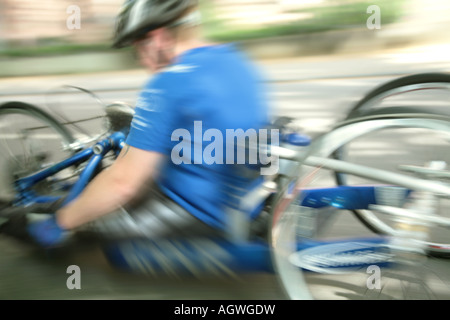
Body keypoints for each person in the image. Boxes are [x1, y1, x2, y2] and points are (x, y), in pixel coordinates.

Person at [25, 0, 272, 275]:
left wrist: (61, 222)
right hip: (242, 200)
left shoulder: (168, 83)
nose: (141, 60)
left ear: (158, 38)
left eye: (138, 48)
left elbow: (123, 185)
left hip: (194, 214)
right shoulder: (236, 59)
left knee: (82, 233)